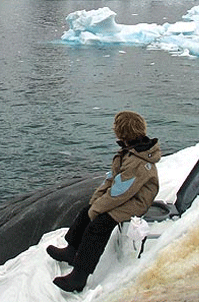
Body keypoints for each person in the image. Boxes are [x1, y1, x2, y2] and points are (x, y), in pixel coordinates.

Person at [46, 110, 162, 293]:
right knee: (87, 211)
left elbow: (120, 193)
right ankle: (71, 250)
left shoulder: (136, 161)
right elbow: (113, 180)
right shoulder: (130, 151)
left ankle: (80, 276)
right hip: (128, 195)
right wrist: (95, 202)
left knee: (99, 225)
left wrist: (98, 208)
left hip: (137, 201)